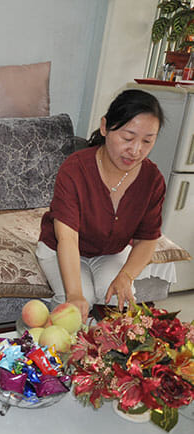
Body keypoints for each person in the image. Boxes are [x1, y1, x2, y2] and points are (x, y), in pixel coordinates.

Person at [36, 89, 165, 319]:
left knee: (119, 301)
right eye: (128, 138)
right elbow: (67, 238)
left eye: (147, 141)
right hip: (60, 249)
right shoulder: (75, 169)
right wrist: (75, 294)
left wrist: (126, 276)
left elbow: (147, 239)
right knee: (76, 307)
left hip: (110, 253)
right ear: (105, 127)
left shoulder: (152, 179)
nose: (136, 150)